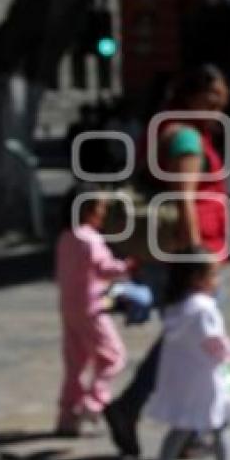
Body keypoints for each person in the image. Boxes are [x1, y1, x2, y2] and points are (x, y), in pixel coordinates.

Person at [105, 64, 230, 457]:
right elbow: (185, 198)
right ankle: (140, 412)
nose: (219, 109)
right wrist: (196, 261)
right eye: (212, 100)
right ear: (192, 97)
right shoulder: (186, 139)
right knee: (188, 339)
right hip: (185, 254)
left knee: (181, 339)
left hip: (171, 254)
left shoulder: (164, 128)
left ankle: (178, 425)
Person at [146, 246, 230, 460]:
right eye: (214, 274)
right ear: (198, 278)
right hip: (207, 380)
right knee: (221, 425)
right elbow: (214, 341)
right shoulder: (204, 309)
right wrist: (228, 354)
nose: (217, 280)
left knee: (182, 427)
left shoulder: (177, 307)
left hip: (185, 381)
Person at [55, 184, 135, 436]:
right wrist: (128, 266)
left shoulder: (67, 237)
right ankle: (93, 402)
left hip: (69, 308)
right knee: (113, 356)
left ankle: (67, 416)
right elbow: (104, 268)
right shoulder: (90, 239)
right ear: (87, 210)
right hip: (92, 309)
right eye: (100, 208)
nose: (103, 214)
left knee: (75, 363)